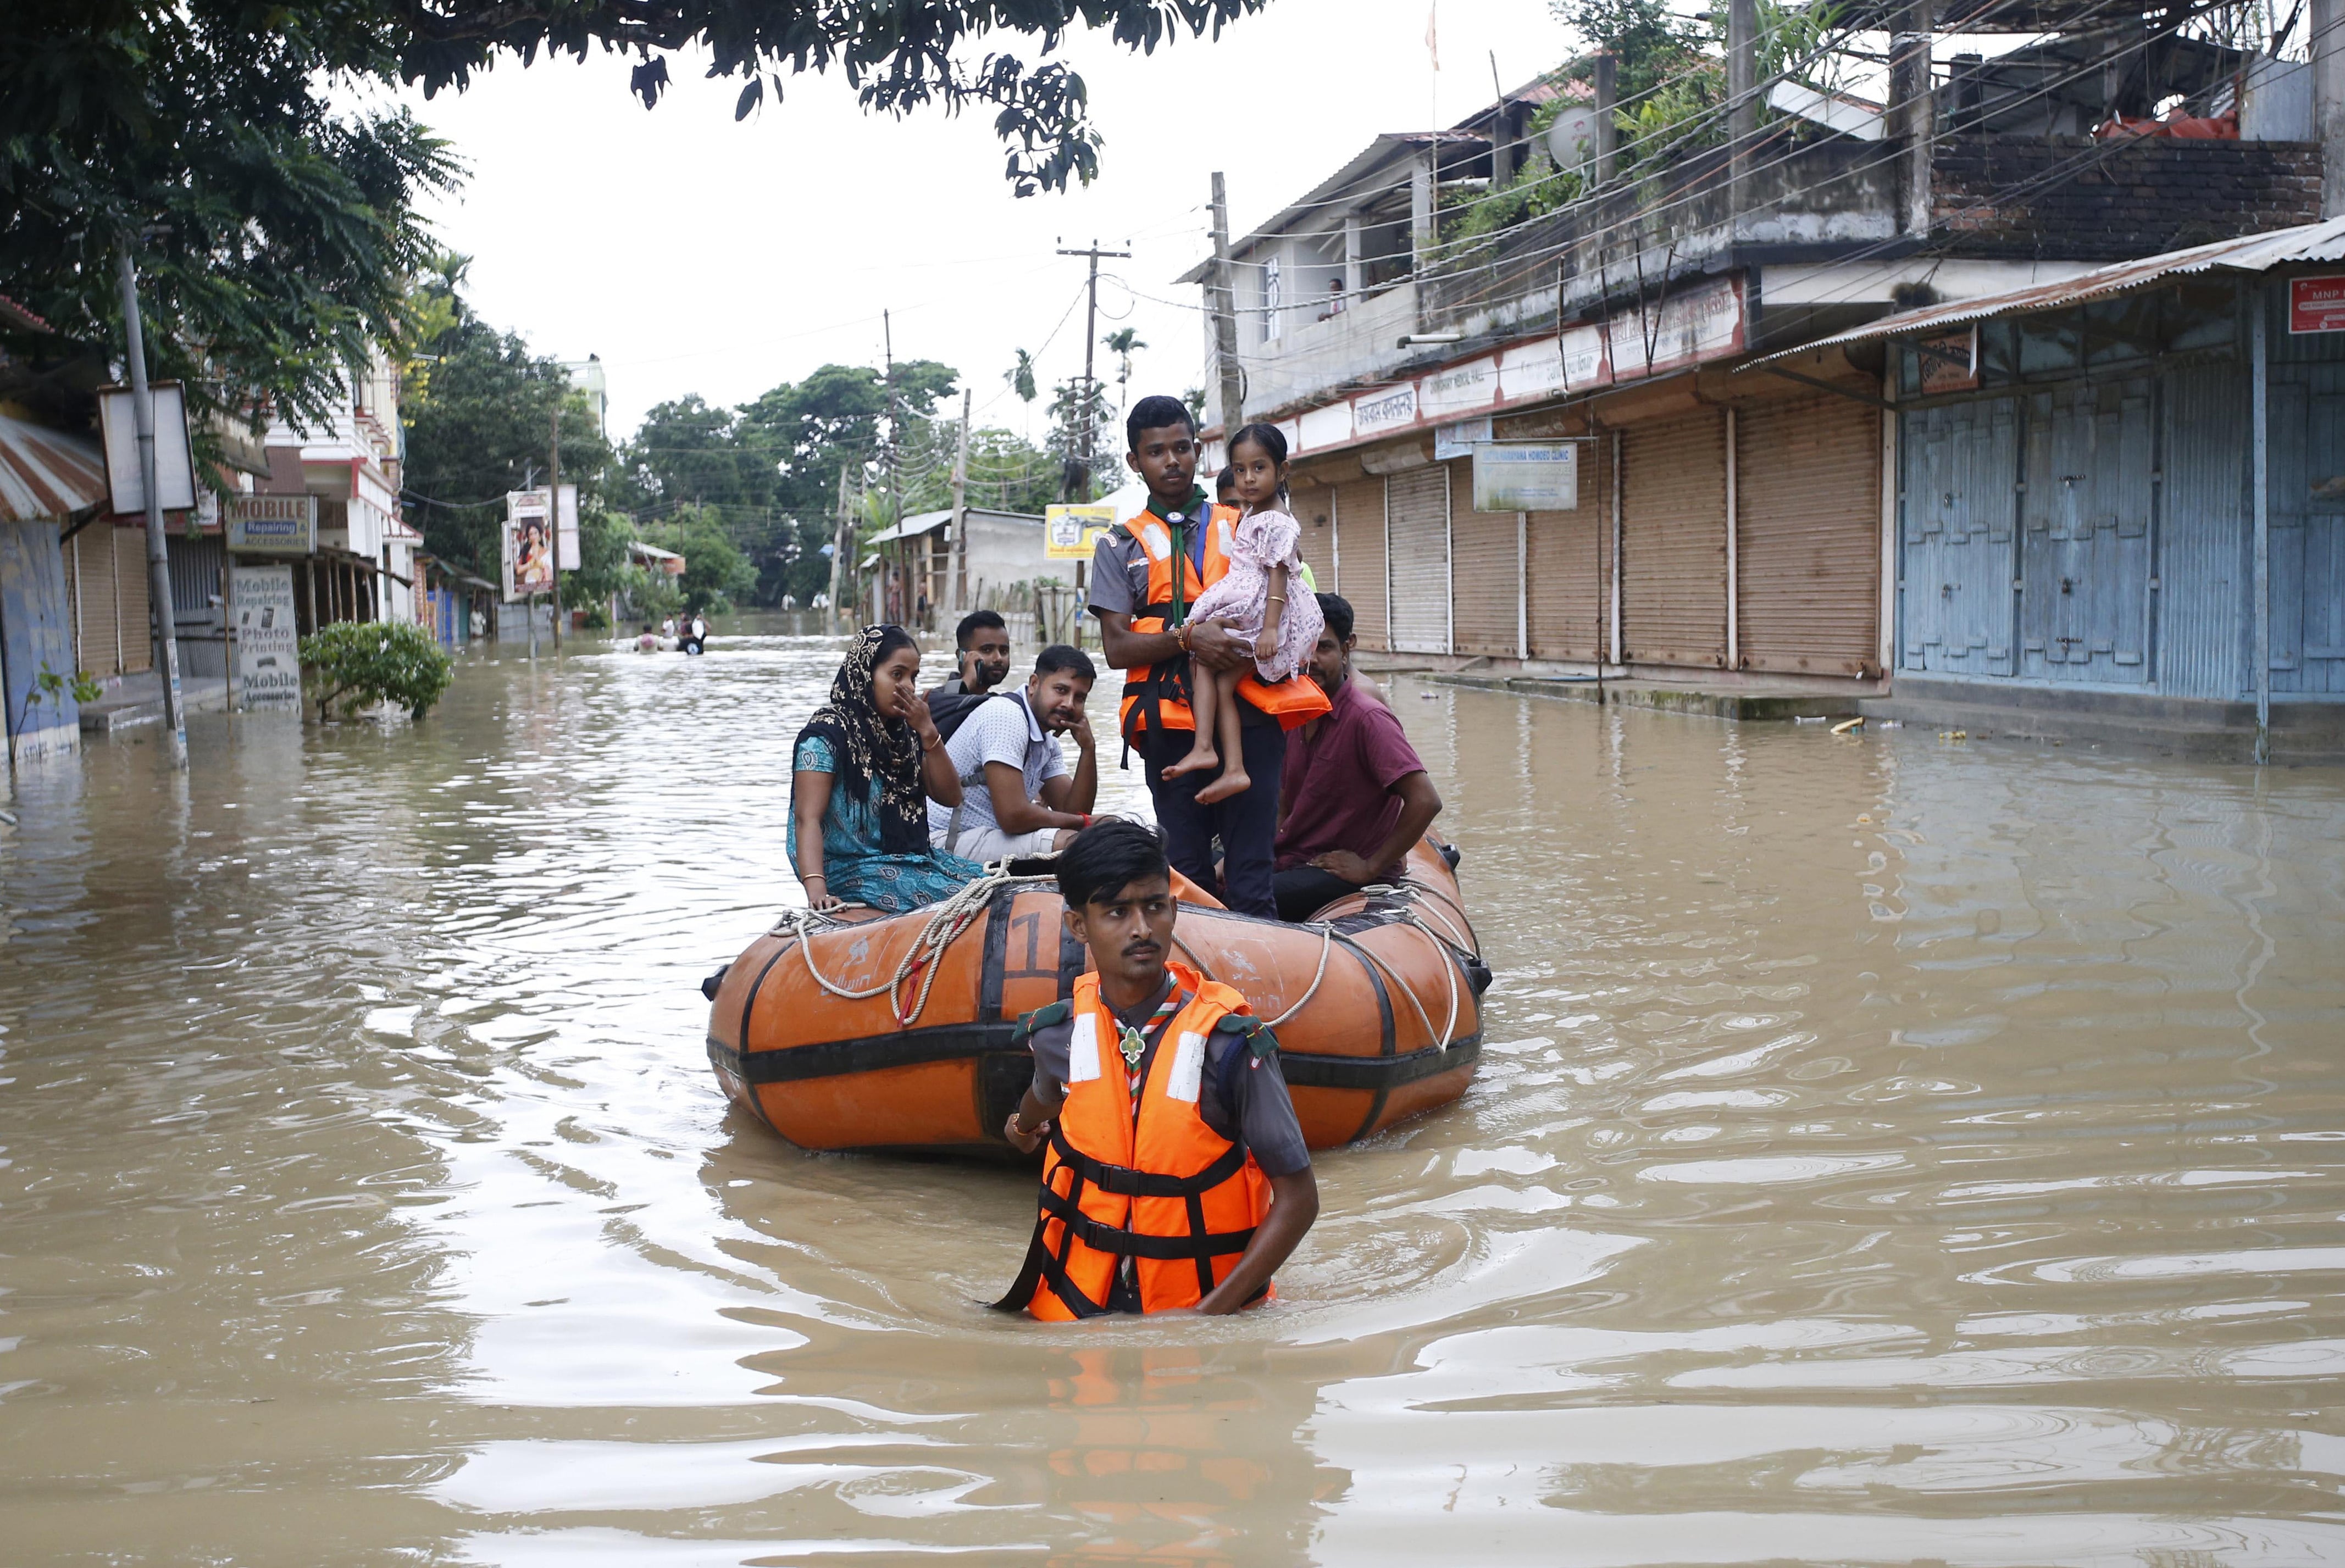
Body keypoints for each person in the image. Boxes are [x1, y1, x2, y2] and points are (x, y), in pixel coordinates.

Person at [995, 820, 1318, 1319]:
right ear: (1079, 925)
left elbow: (1299, 1199)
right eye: (1117, 912)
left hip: (1200, 1314)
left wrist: (1208, 1319)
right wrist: (1020, 1128)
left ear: (1172, 909)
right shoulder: (1060, 1035)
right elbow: (1044, 1093)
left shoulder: (1229, 1045)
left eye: (1154, 906)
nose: (1141, 928)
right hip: (1080, 1313)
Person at [1088, 396, 1328, 919]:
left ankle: (1258, 989)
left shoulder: (1246, 520)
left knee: (1251, 872)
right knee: (1186, 875)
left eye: (1181, 449)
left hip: (1250, 715)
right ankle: (1197, 986)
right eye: (1155, 452)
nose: (1170, 461)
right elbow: (1116, 648)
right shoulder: (1116, 545)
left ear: (1197, 451)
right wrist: (1187, 640)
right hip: (1166, 726)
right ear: (1135, 462)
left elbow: (1289, 579)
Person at [1162, 424, 1324, 805]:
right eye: (1240, 470)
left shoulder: (1274, 520)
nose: (1248, 479)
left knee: (1200, 656)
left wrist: (1269, 629)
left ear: (1282, 471)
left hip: (1260, 609)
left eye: (1259, 468)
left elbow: (1278, 573)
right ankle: (1233, 768)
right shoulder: (1258, 511)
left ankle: (1205, 745)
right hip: (1256, 603)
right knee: (1222, 683)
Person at [1272, 593, 1445, 923]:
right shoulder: (1292, 714)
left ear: (1345, 650)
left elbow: (1426, 800)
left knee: (1245, 896)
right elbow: (1281, 802)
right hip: (1296, 858)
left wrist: (1370, 866)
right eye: (1303, 648)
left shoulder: (1367, 718)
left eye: (1323, 648)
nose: (1312, 661)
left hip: (1337, 870)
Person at [789, 625, 984, 914]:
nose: (909, 687)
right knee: (963, 901)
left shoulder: (905, 734)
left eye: (913, 677)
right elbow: (808, 819)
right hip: (845, 865)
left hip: (906, 858)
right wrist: (818, 891)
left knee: (992, 883)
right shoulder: (825, 737)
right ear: (866, 675)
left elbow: (951, 797)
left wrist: (929, 733)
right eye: (897, 675)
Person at [930, 644, 1103, 861]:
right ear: (1034, 684)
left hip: (988, 836)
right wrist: (1086, 822)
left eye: (1080, 698)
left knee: (1108, 829)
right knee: (1074, 843)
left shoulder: (1047, 743)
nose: (1069, 704)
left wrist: (1088, 749)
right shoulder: (1006, 716)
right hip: (946, 840)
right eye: (1061, 690)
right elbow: (1013, 817)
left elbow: (1074, 810)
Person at [931, 610, 1012, 699]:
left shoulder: (1000, 703)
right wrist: (967, 681)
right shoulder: (932, 700)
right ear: (962, 656)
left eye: (1004, 651)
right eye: (987, 650)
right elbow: (945, 705)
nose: (998, 658)